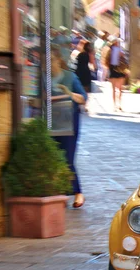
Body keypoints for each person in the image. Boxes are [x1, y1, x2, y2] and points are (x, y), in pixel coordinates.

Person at [50, 38, 88, 208]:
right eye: (46, 61)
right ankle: (60, 192)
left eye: (51, 60)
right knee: (54, 156)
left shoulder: (70, 77)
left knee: (68, 157)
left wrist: (69, 93)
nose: (49, 64)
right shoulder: (41, 78)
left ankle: (78, 193)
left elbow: (83, 99)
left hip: (69, 120)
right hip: (50, 120)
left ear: (58, 59)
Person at [105, 36, 126, 111]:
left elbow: (106, 62)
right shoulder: (119, 49)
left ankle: (114, 105)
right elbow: (123, 58)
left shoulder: (109, 51)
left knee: (113, 89)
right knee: (120, 89)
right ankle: (119, 104)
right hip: (119, 69)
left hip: (112, 69)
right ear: (115, 42)